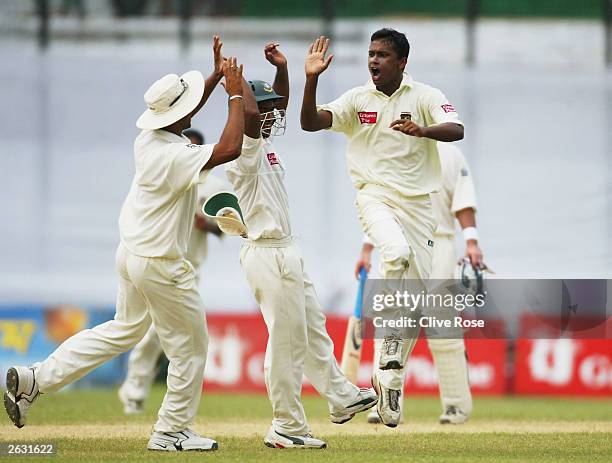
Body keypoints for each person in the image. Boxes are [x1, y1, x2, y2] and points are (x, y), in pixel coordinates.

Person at [3, 36, 246, 452]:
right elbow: (230, 148)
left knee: (122, 329)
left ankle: (34, 379)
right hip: (160, 263)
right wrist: (236, 94)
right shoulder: (173, 155)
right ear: (179, 115)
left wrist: (215, 77)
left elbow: (184, 115)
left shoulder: (151, 140)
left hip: (131, 254)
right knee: (191, 348)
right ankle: (171, 431)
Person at [300, 29, 464, 427]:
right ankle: (387, 347)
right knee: (396, 254)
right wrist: (311, 79)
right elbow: (309, 123)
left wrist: (424, 131)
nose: (374, 61)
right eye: (371, 54)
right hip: (373, 197)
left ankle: (389, 378)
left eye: (383, 55)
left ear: (402, 62)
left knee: (415, 302)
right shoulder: (358, 100)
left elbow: (456, 129)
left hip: (418, 208)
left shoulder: (424, 96)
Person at [223, 42, 377, 449]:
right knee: (287, 342)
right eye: (266, 109)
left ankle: (341, 398)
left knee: (311, 330)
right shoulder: (244, 150)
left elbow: (276, 106)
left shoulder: (265, 143)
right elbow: (254, 114)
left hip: (286, 250)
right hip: (267, 252)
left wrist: (286, 69)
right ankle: (286, 426)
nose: (275, 114)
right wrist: (237, 91)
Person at [355, 142, 482, 425]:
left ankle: (456, 405)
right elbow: (380, 204)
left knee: (441, 323)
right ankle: (384, 402)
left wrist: (472, 242)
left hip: (440, 242)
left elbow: (463, 201)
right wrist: (367, 248)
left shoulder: (449, 153)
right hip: (398, 243)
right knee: (393, 317)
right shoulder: (394, 148)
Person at [118, 128, 228, 415]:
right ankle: (134, 392)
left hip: (189, 267)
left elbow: (228, 226)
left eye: (192, 149)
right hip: (155, 262)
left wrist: (208, 225)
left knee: (166, 335)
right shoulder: (163, 172)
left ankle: (153, 400)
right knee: (145, 330)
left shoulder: (212, 186)